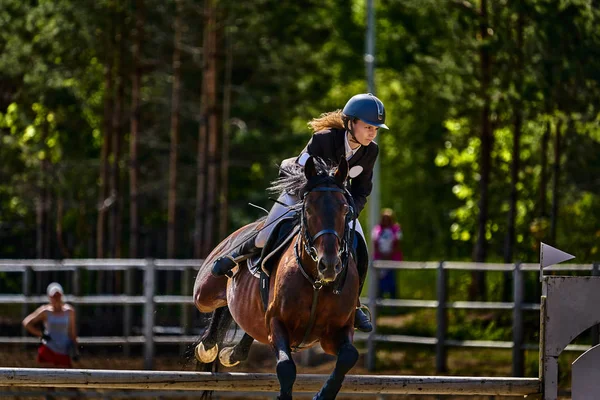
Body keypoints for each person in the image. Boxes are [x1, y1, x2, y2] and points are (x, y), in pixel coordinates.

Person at [212, 93, 389, 332]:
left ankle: (355, 304)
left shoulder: (371, 152)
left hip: (336, 206)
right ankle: (233, 257)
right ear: (350, 123)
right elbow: (300, 172)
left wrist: (349, 212)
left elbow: (362, 191)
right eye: (368, 127)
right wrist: (313, 201)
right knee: (267, 233)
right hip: (300, 192)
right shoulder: (324, 139)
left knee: (360, 245)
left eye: (376, 129)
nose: (372, 133)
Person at [23, 282, 80, 368]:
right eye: (54, 296)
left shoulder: (70, 311)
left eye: (58, 295)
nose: (56, 298)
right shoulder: (45, 311)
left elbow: (72, 332)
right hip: (49, 349)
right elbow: (27, 322)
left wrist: (75, 349)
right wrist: (41, 334)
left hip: (64, 350)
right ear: (49, 297)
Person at [372, 208, 403, 299]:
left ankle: (393, 306)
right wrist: (382, 255)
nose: (386, 220)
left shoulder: (396, 229)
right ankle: (380, 305)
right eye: (384, 218)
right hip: (380, 260)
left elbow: (397, 244)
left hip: (392, 260)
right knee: (380, 283)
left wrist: (389, 255)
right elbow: (375, 244)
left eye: (388, 218)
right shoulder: (377, 230)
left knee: (392, 282)